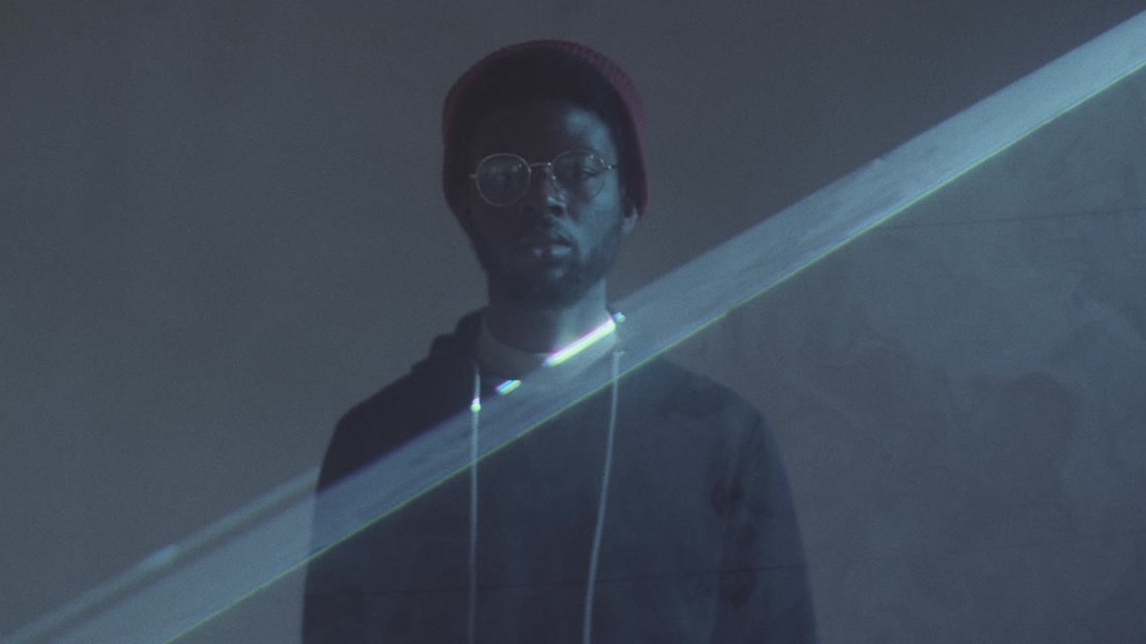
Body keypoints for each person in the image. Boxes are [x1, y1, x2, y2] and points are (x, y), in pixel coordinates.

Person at [302, 40, 816, 642]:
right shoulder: (380, 442)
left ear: (629, 202)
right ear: (467, 208)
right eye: (504, 176)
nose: (542, 198)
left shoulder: (718, 439)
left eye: (577, 172)